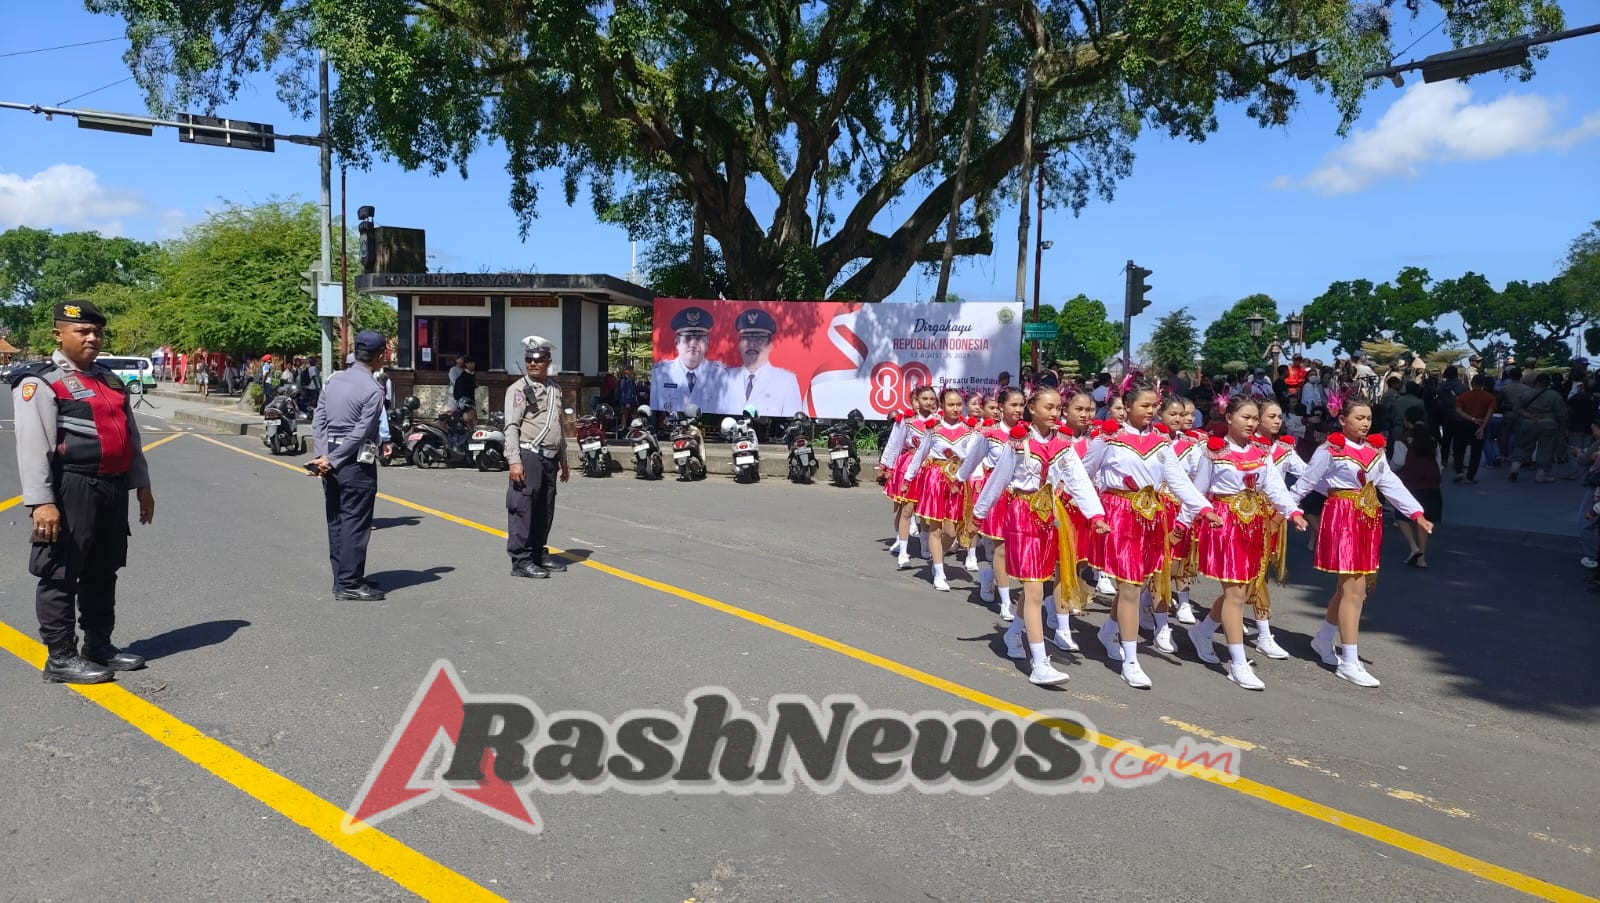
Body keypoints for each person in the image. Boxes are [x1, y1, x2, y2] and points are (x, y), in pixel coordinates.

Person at [12, 299, 156, 683]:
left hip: (111, 487)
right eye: (82, 331)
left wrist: (141, 484)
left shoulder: (109, 379)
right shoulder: (41, 382)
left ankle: (99, 645)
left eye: (97, 331)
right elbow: (32, 444)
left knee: (103, 569)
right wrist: (42, 501)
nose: (92, 337)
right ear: (59, 334)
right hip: (70, 486)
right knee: (60, 571)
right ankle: (60, 656)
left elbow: (131, 436)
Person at [1290, 399, 1433, 687]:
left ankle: (1323, 640)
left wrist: (1416, 513)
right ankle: (1350, 661)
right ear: (1342, 420)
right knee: (1354, 591)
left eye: (1368, 418)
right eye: (1358, 418)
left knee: (1350, 590)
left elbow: (1390, 483)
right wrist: (1289, 511)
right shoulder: (1329, 450)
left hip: (1368, 521)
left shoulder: (1374, 450)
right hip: (1342, 519)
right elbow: (1305, 482)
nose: (1365, 423)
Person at [972, 387, 1107, 687]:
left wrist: (1095, 515)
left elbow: (1078, 480)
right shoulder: (1018, 442)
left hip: (1050, 518)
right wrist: (978, 515)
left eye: (1058, 407)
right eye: (1048, 407)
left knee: (1038, 586)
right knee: (1035, 591)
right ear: (1032, 408)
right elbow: (999, 479)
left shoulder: (1064, 443)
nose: (1054, 412)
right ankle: (1040, 663)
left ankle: (1012, 633)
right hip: (1022, 514)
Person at [1089, 387, 1220, 690]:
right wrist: (1093, 511)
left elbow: (1177, 481)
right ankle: (1131, 660)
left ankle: (1108, 629)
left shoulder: (1161, 443)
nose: (1150, 411)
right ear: (1128, 406)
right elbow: (1085, 474)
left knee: (1134, 584)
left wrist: (1203, 508)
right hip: (1119, 515)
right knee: (1132, 586)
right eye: (1145, 405)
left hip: (1151, 517)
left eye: (1154, 406)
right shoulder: (1108, 439)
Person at [1186, 397, 1308, 690]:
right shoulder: (1213, 452)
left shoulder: (1261, 452)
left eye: (1255, 418)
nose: (1252, 423)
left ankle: (1202, 631)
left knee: (1239, 591)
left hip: (1253, 525)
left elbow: (1274, 487)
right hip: (1224, 524)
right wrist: (1183, 524)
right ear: (1229, 417)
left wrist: (1293, 511)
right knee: (1236, 594)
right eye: (1246, 417)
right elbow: (1197, 491)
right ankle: (1238, 663)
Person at [308, 330, 389, 601]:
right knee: (355, 521)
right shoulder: (373, 390)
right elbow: (361, 433)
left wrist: (322, 456)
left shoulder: (333, 379)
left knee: (337, 519)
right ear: (380, 356)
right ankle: (349, 583)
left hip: (329, 455)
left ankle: (342, 576)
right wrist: (332, 459)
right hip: (353, 460)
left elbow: (318, 420)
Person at [505, 336, 571, 578]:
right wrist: (514, 460)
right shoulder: (518, 389)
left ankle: (538, 553)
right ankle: (520, 561)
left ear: (548, 361)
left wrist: (563, 458)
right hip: (528, 454)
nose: (533, 364)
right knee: (523, 508)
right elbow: (511, 426)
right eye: (529, 360)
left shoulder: (555, 389)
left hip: (550, 457)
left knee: (545, 508)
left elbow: (558, 424)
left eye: (538, 360)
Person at [899, 389, 978, 592]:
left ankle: (937, 557)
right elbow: (920, 455)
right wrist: (908, 478)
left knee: (951, 532)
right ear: (942, 406)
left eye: (959, 404)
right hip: (935, 479)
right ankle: (939, 571)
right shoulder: (933, 429)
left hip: (958, 481)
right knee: (935, 527)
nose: (955, 408)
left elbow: (974, 458)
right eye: (951, 404)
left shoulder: (970, 430)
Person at [722, 308, 803, 416]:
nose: (752, 345)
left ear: (770, 345)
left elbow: (792, 422)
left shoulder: (786, 381)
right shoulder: (725, 378)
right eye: (746, 338)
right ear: (739, 344)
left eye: (759, 339)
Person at [652, 306, 729, 414]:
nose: (693, 344)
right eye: (687, 338)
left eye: (699, 338)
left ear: (707, 343)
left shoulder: (721, 374)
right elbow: (655, 409)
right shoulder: (659, 373)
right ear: (676, 343)